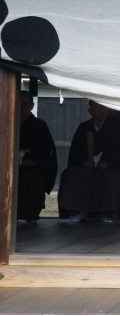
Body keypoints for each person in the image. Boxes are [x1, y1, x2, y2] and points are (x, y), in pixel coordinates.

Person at [58, 100, 120, 223]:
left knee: (110, 177)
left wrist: (108, 164)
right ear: (90, 111)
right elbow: (74, 153)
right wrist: (84, 162)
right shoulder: (84, 128)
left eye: (103, 108)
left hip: (110, 168)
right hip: (88, 167)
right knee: (71, 174)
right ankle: (78, 210)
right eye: (97, 108)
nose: (101, 111)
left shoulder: (118, 127)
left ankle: (107, 212)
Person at [17, 91, 58, 223]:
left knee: (33, 177)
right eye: (18, 104)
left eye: (25, 104)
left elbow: (47, 152)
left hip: (33, 166)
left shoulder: (39, 126)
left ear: (32, 106)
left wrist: (32, 161)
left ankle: (28, 214)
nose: (22, 108)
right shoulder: (6, 123)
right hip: (9, 166)